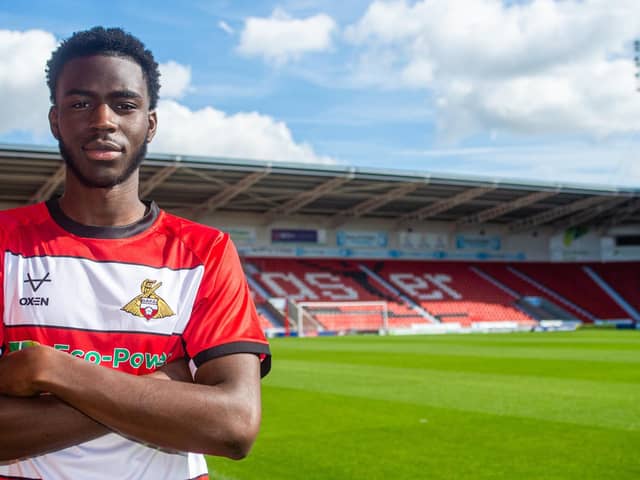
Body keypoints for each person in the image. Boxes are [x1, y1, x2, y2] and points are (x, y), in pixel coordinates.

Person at [0, 26, 271, 479]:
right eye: (80, 103)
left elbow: (233, 426)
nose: (103, 119)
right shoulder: (5, 243)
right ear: (55, 120)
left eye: (124, 105)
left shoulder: (205, 251)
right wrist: (166, 389)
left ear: (150, 122)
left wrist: (49, 369)